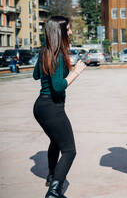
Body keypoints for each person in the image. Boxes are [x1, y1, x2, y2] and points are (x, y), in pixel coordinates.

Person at [33, 16, 86, 198]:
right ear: (60, 32)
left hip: (41, 107)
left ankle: (51, 176)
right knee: (70, 150)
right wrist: (76, 72)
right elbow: (58, 86)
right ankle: (54, 191)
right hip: (52, 107)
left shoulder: (45, 51)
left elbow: (35, 75)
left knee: (56, 141)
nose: (70, 32)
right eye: (68, 29)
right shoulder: (57, 55)